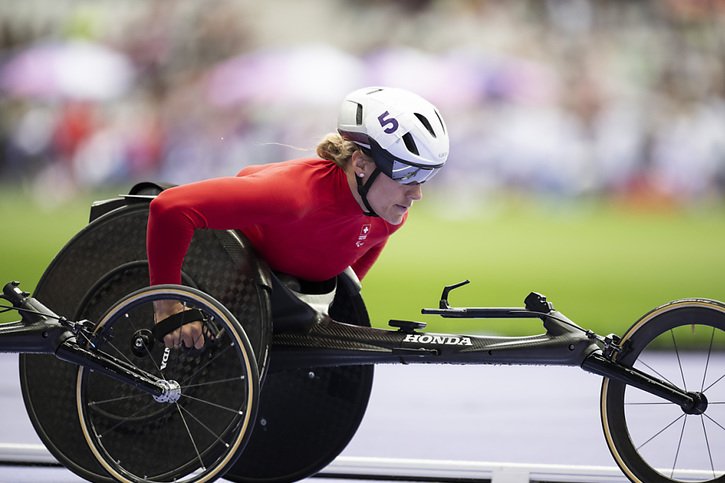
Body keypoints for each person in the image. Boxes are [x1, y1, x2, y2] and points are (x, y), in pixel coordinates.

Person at [147, 86, 449, 349]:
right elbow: (170, 207)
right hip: (217, 268)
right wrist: (168, 305)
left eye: (427, 175)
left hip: (270, 295)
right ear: (360, 163)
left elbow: (349, 280)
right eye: (408, 173)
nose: (416, 193)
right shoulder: (293, 196)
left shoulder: (389, 216)